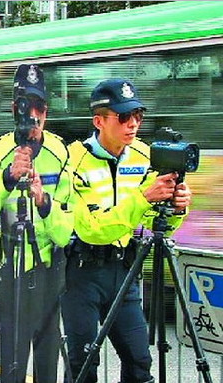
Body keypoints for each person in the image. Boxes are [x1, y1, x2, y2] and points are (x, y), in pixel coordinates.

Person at [62, 78, 192, 383]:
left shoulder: (146, 156)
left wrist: (177, 208)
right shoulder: (73, 161)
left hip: (125, 268)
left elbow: (154, 222)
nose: (132, 124)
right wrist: (144, 196)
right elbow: (92, 228)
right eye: (123, 117)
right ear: (99, 121)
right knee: (83, 365)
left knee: (139, 360)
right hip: (80, 273)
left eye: (138, 116)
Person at [0, 64, 73, 383]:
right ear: (14, 109)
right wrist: (6, 179)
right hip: (13, 275)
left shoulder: (60, 153)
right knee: (11, 371)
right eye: (26, 106)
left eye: (39, 106)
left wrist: (43, 203)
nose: (34, 115)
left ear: (47, 111)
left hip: (51, 276)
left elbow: (66, 232)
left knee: (47, 370)